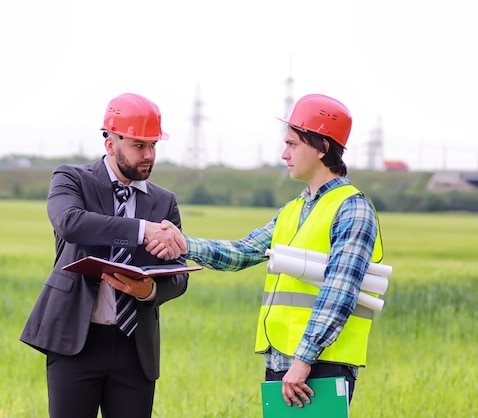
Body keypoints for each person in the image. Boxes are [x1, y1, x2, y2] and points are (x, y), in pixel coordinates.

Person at [147, 93, 384, 407]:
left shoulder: (352, 209)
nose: (284, 154)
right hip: (281, 362)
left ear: (323, 147)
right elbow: (243, 251)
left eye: (292, 144)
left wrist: (303, 360)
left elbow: (339, 291)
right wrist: (183, 243)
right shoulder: (293, 211)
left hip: (319, 364)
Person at [20, 92, 189, 418]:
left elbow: (179, 274)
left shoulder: (164, 201)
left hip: (134, 348)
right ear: (110, 143)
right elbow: (71, 223)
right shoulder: (71, 179)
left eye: (153, 145)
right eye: (139, 145)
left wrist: (151, 290)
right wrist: (142, 230)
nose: (149, 155)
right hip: (75, 342)